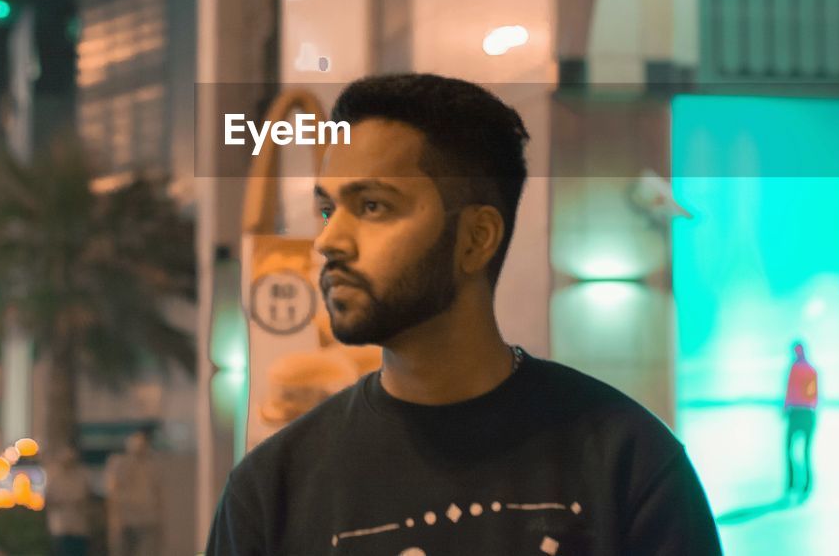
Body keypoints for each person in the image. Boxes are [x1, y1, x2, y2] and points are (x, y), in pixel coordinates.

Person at [206, 73, 722, 554]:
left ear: (476, 239)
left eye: (373, 207)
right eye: (327, 209)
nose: (328, 241)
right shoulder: (271, 491)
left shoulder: (628, 464)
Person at [104, 430, 162, 556]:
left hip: (147, 519)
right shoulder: (119, 464)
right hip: (126, 518)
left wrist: (160, 519)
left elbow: (158, 494)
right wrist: (114, 519)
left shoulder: (152, 466)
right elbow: (112, 492)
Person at [784, 340, 819, 498]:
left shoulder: (805, 371)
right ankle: (796, 484)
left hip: (802, 412)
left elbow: (809, 394)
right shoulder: (807, 370)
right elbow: (791, 392)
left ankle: (800, 484)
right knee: (797, 450)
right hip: (803, 413)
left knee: (802, 451)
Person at [45, 445, 92, 556]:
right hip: (61, 527)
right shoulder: (54, 476)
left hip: (79, 527)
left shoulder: (82, 475)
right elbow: (49, 499)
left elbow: (86, 496)